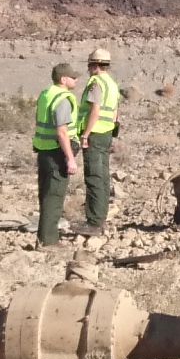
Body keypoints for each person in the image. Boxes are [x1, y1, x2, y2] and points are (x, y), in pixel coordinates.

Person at [30, 62, 79, 246]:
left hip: (43, 150)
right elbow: (62, 131)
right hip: (57, 152)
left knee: (45, 193)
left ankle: (44, 236)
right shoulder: (63, 99)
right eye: (72, 77)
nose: (76, 79)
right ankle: (49, 241)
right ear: (63, 79)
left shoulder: (46, 94)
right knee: (54, 196)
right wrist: (70, 158)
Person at [77, 47, 124, 235]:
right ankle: (100, 218)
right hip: (106, 133)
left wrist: (85, 134)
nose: (88, 69)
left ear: (94, 65)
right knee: (103, 177)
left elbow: (95, 110)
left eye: (89, 65)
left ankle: (94, 223)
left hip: (95, 134)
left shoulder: (96, 82)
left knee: (94, 177)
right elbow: (115, 112)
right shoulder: (111, 83)